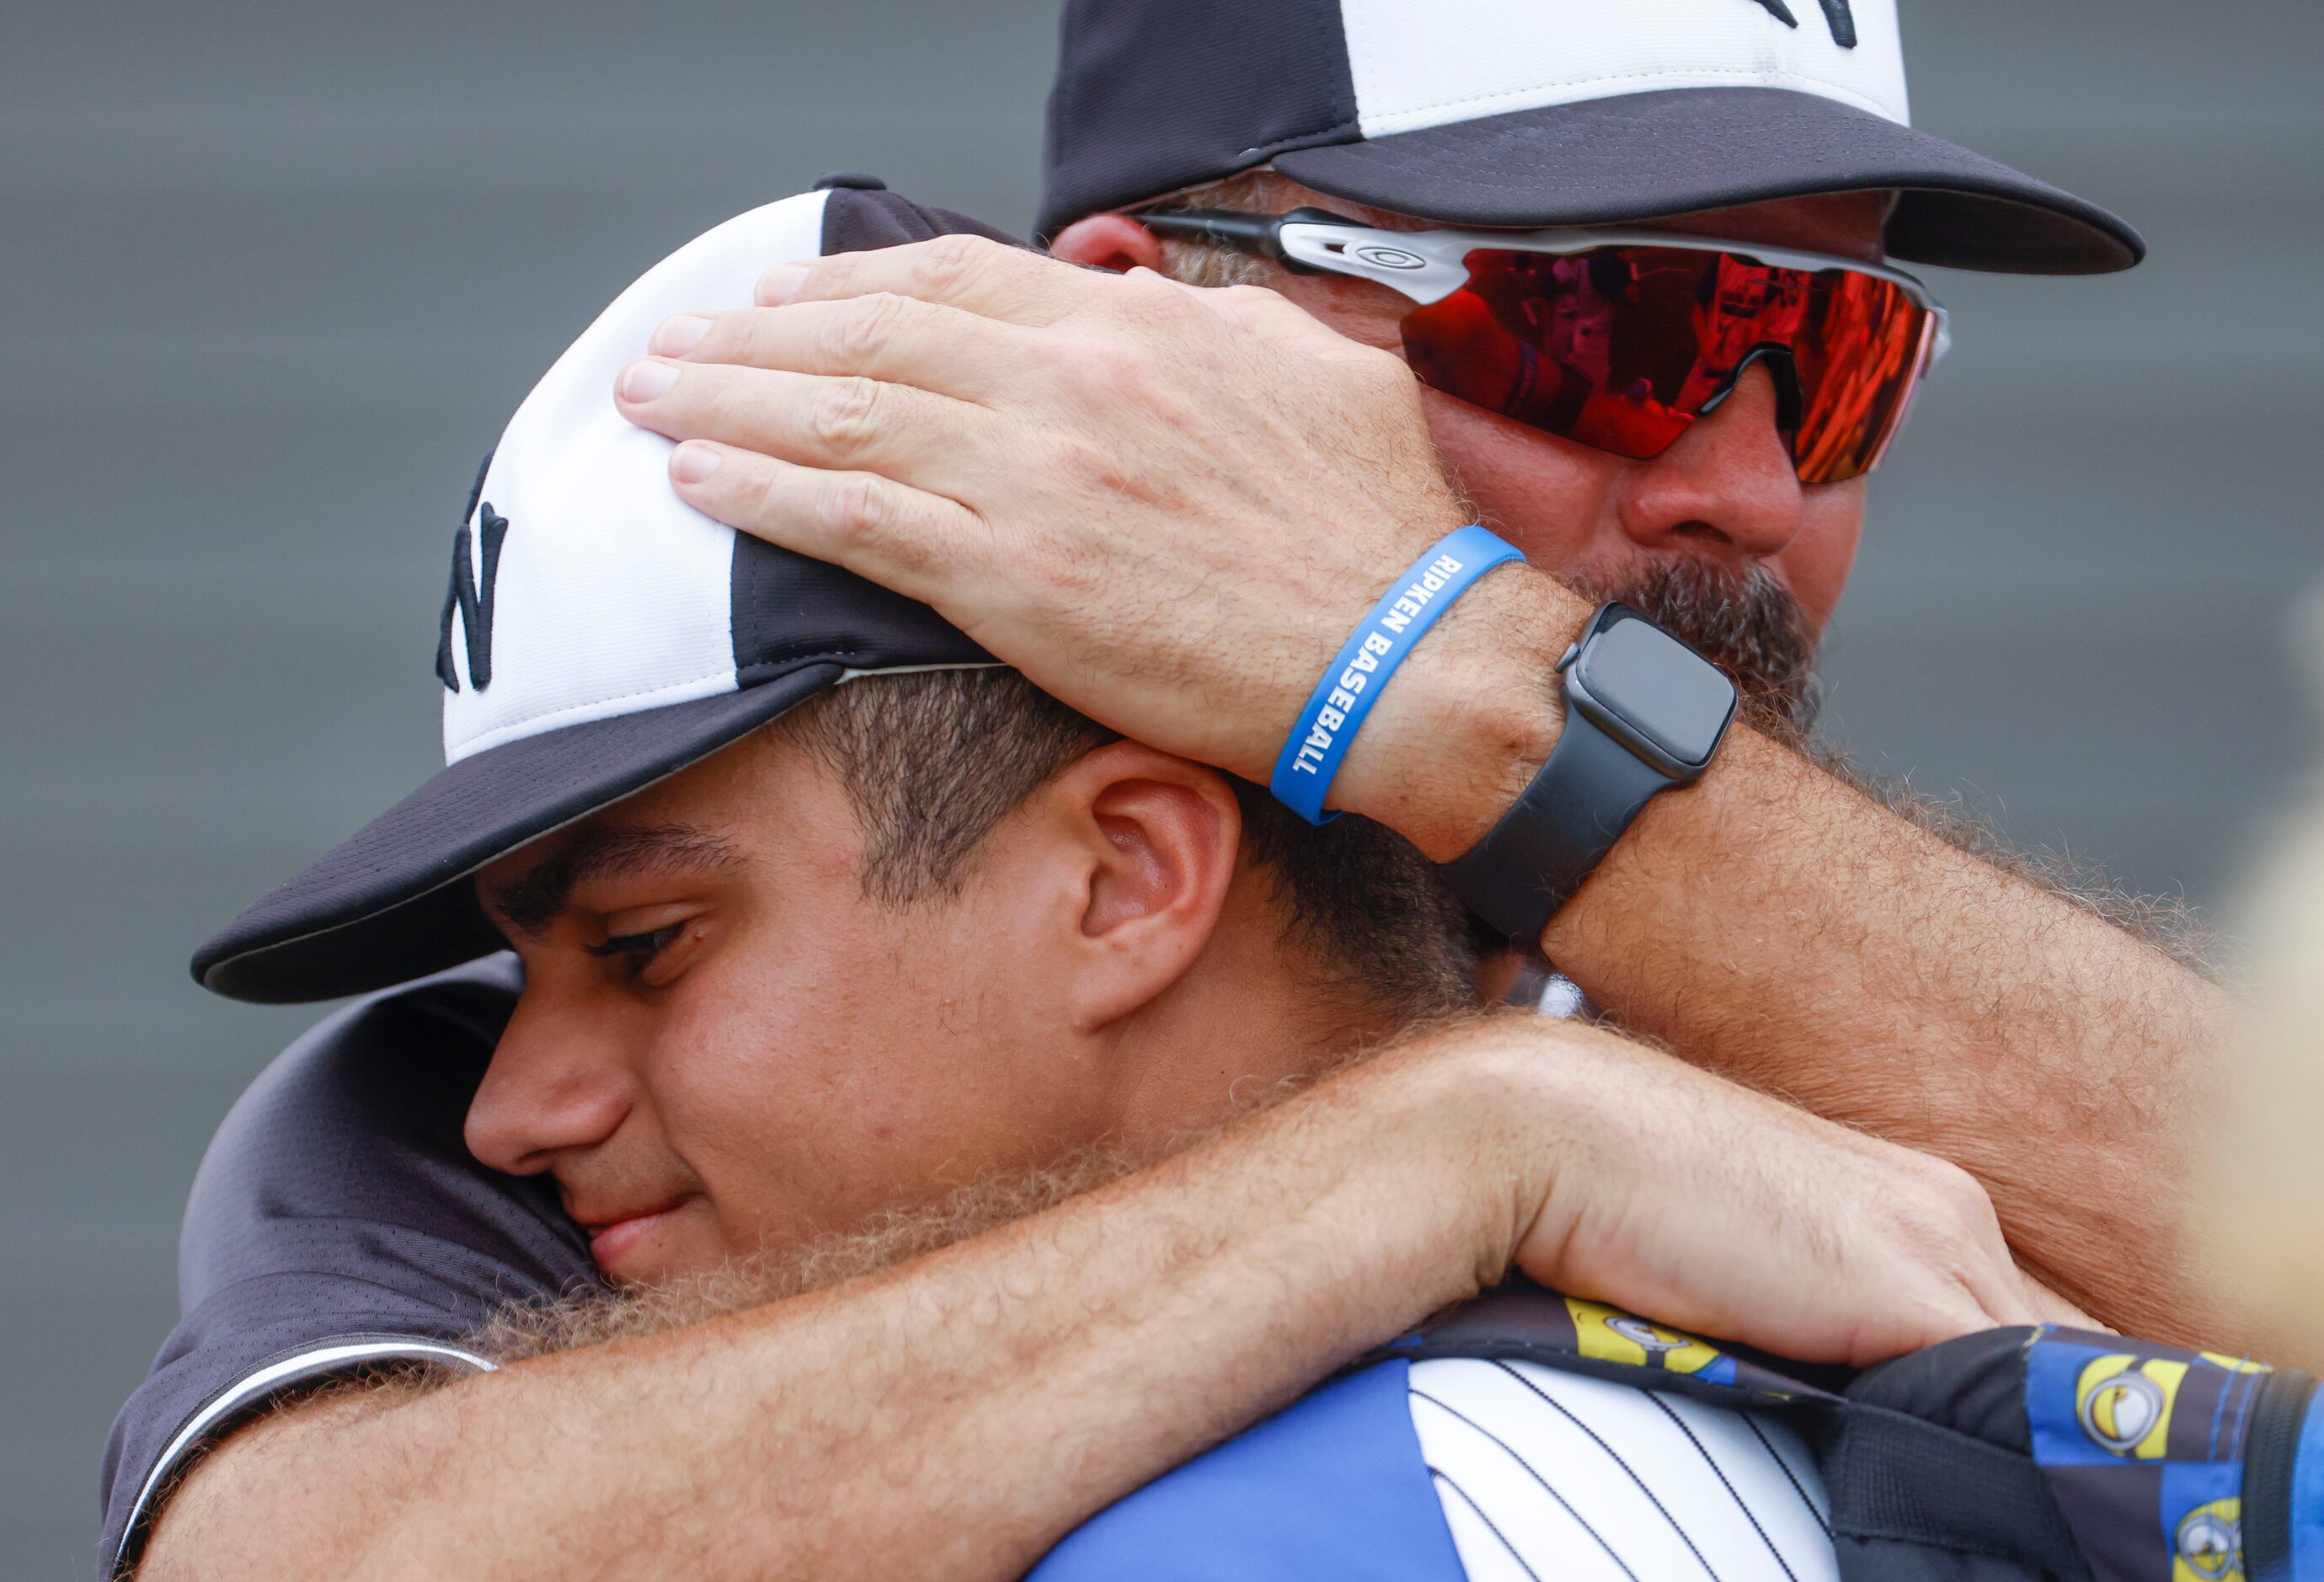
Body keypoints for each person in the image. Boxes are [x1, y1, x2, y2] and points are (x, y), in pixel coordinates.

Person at [110, 1, 2252, 1576]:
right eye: (1602, 329)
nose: (1748, 484)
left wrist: (1468, 685)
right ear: (1125, 332)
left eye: (1843, 358)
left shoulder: (1867, 986)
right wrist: (1468, 1140)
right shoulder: (573, 1113)